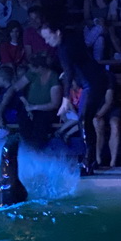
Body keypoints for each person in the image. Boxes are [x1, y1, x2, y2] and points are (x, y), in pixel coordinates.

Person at [41, 16, 110, 174]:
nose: (46, 42)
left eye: (47, 37)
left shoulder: (64, 48)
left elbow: (69, 72)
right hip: (94, 81)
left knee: (84, 120)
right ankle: (90, 160)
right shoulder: (70, 38)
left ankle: (89, 161)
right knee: (83, 120)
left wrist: (65, 99)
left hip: (92, 83)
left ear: (57, 33)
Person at [92, 71, 121, 169]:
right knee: (98, 125)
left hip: (112, 108)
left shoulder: (108, 78)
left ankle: (113, 162)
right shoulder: (89, 79)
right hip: (96, 107)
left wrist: (98, 115)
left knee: (115, 126)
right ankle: (98, 159)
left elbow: (108, 102)